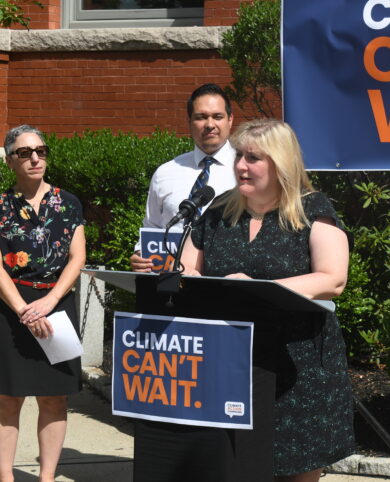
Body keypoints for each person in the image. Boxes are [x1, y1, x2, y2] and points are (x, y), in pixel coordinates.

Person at [180, 119, 355, 481]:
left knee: (295, 468)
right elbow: (187, 268)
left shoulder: (312, 210)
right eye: (239, 156)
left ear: (281, 163)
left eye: (254, 158)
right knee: (234, 466)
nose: (241, 166)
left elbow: (332, 279)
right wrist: (180, 277)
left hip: (297, 365)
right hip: (229, 361)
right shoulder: (218, 211)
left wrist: (259, 288)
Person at [0, 125, 86, 482]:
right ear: (10, 161)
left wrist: (50, 300)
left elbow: (77, 257)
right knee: (8, 398)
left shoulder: (69, 203)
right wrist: (23, 309)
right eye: (24, 152)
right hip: (10, 308)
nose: (35, 158)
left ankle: (46, 477)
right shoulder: (1, 205)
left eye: (41, 150)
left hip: (57, 304)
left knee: (55, 396)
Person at [130, 82, 236, 271]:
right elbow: (152, 227)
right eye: (201, 117)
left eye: (217, 116)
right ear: (189, 121)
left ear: (230, 120)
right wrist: (140, 255)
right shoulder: (165, 173)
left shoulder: (247, 171)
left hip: (226, 278)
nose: (210, 124)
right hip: (170, 279)